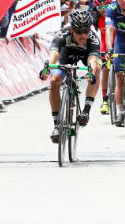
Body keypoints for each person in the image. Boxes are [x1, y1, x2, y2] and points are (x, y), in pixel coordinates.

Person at [40, 10, 101, 143]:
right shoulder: (62, 34)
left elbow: (92, 59)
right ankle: (57, 125)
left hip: (87, 56)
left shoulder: (92, 37)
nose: (83, 35)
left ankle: (86, 110)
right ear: (72, 29)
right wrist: (47, 68)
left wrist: (90, 71)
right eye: (79, 32)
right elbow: (54, 54)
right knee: (55, 80)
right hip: (66, 54)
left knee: (96, 70)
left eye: (86, 31)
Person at [92, 0, 113, 114]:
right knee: (105, 69)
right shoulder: (97, 19)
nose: (104, 10)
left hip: (119, 43)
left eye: (107, 7)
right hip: (105, 46)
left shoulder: (116, 15)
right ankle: (105, 100)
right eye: (101, 8)